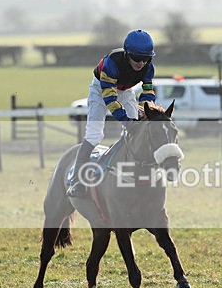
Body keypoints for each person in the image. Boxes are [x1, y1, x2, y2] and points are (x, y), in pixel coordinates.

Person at [66, 29, 157, 197]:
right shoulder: (112, 63)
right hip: (101, 90)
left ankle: (137, 172)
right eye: (137, 58)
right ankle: (76, 180)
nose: (141, 63)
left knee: (136, 130)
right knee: (94, 135)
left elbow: (148, 92)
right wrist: (125, 120)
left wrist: (145, 110)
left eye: (146, 59)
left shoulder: (148, 68)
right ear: (127, 54)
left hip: (126, 91)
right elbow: (109, 97)